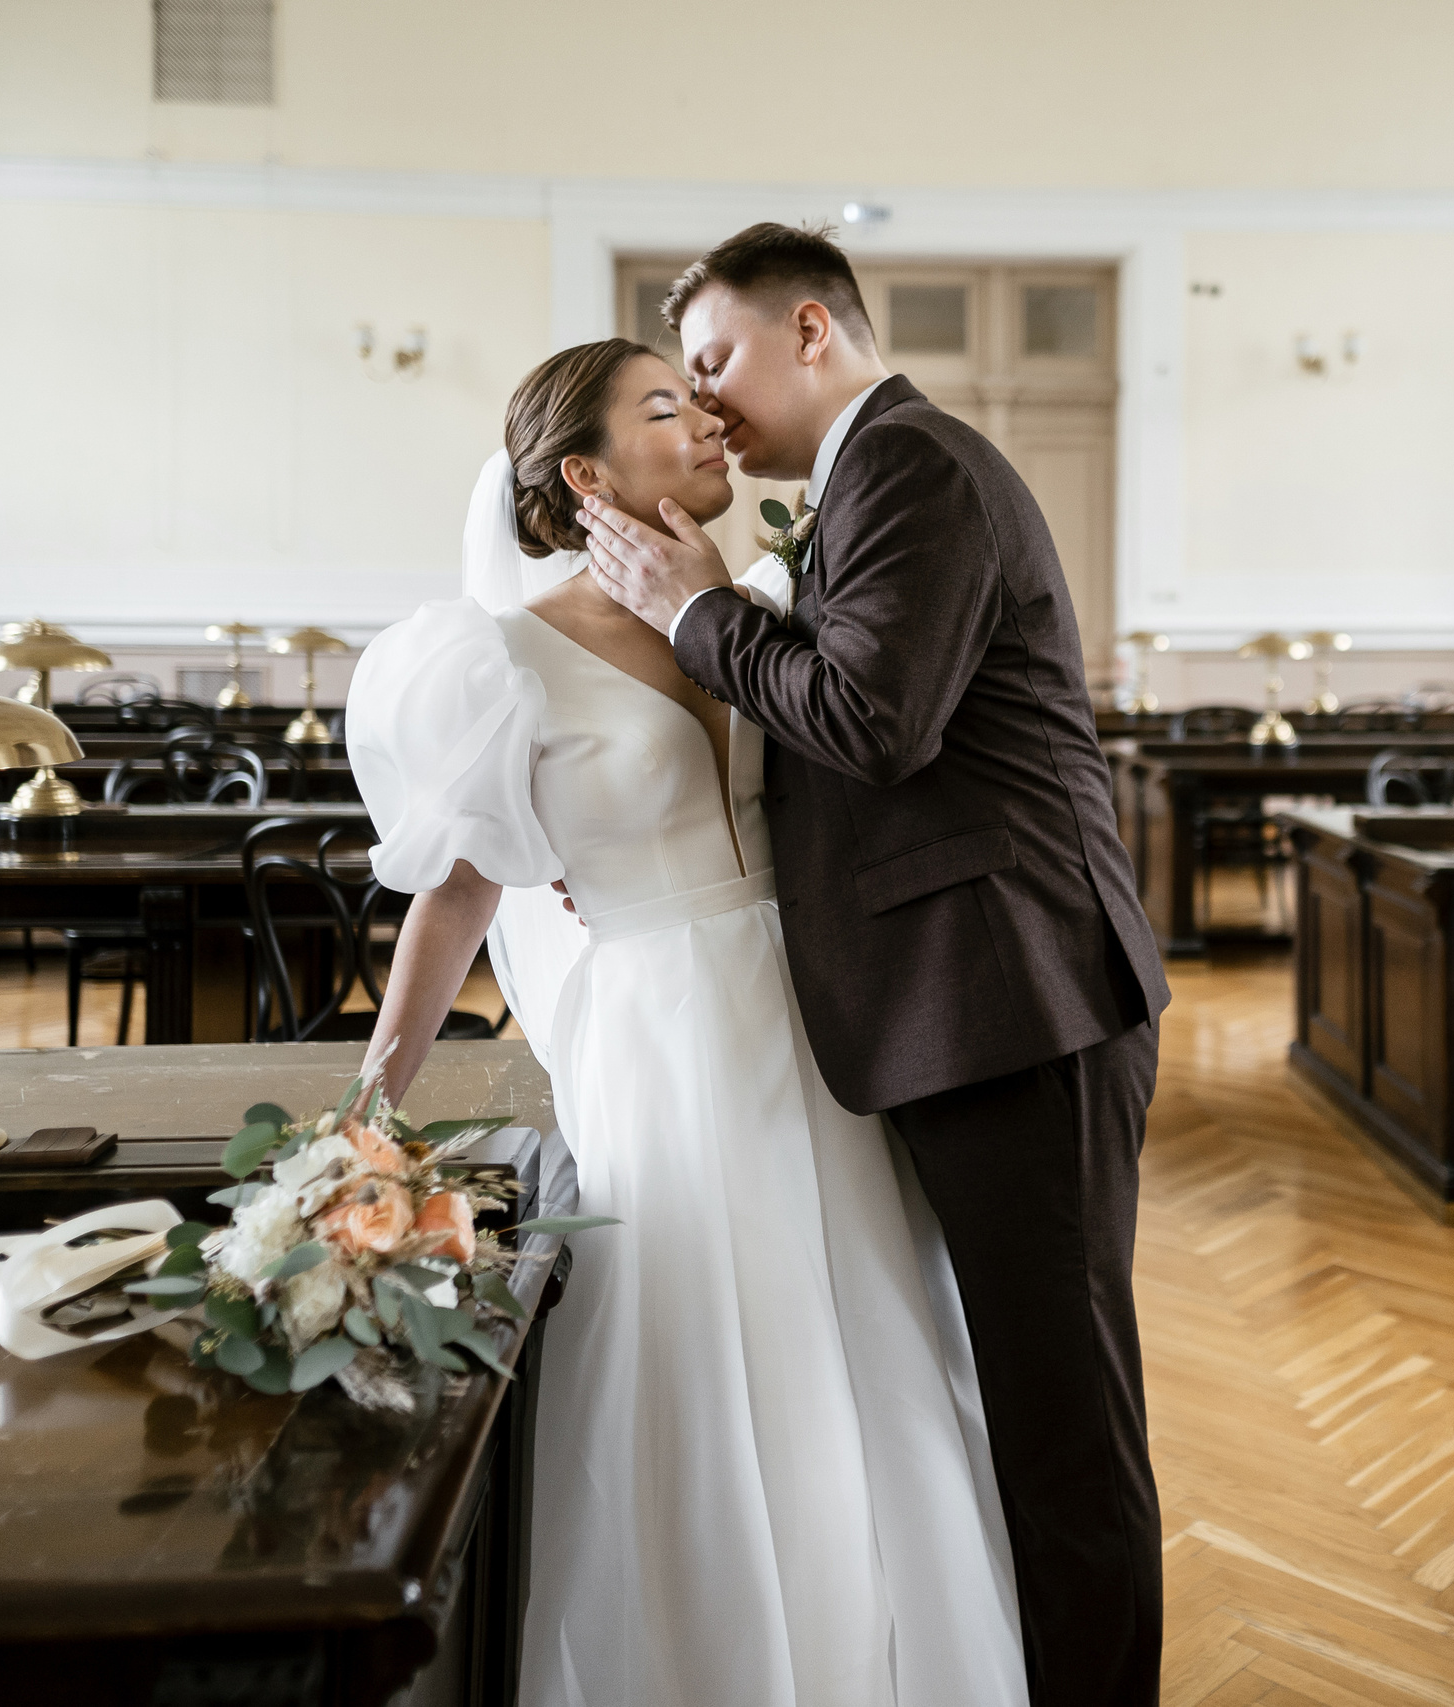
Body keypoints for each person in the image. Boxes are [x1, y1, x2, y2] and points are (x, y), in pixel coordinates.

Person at [344, 338, 1029, 1706]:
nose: (708, 418)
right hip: (662, 1030)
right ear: (586, 472)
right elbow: (460, 893)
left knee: (866, 1330)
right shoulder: (498, 657)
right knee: (714, 1346)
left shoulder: (763, 601)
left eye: (701, 394)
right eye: (667, 406)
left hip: (814, 1011)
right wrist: (369, 1103)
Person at [574, 222, 1172, 1707]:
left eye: (714, 360)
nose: (704, 403)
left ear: (814, 333)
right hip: (961, 1003)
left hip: (1018, 999)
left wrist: (691, 607)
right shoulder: (860, 488)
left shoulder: (913, 467)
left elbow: (874, 721)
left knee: (1065, 1418)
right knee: (1025, 1403)